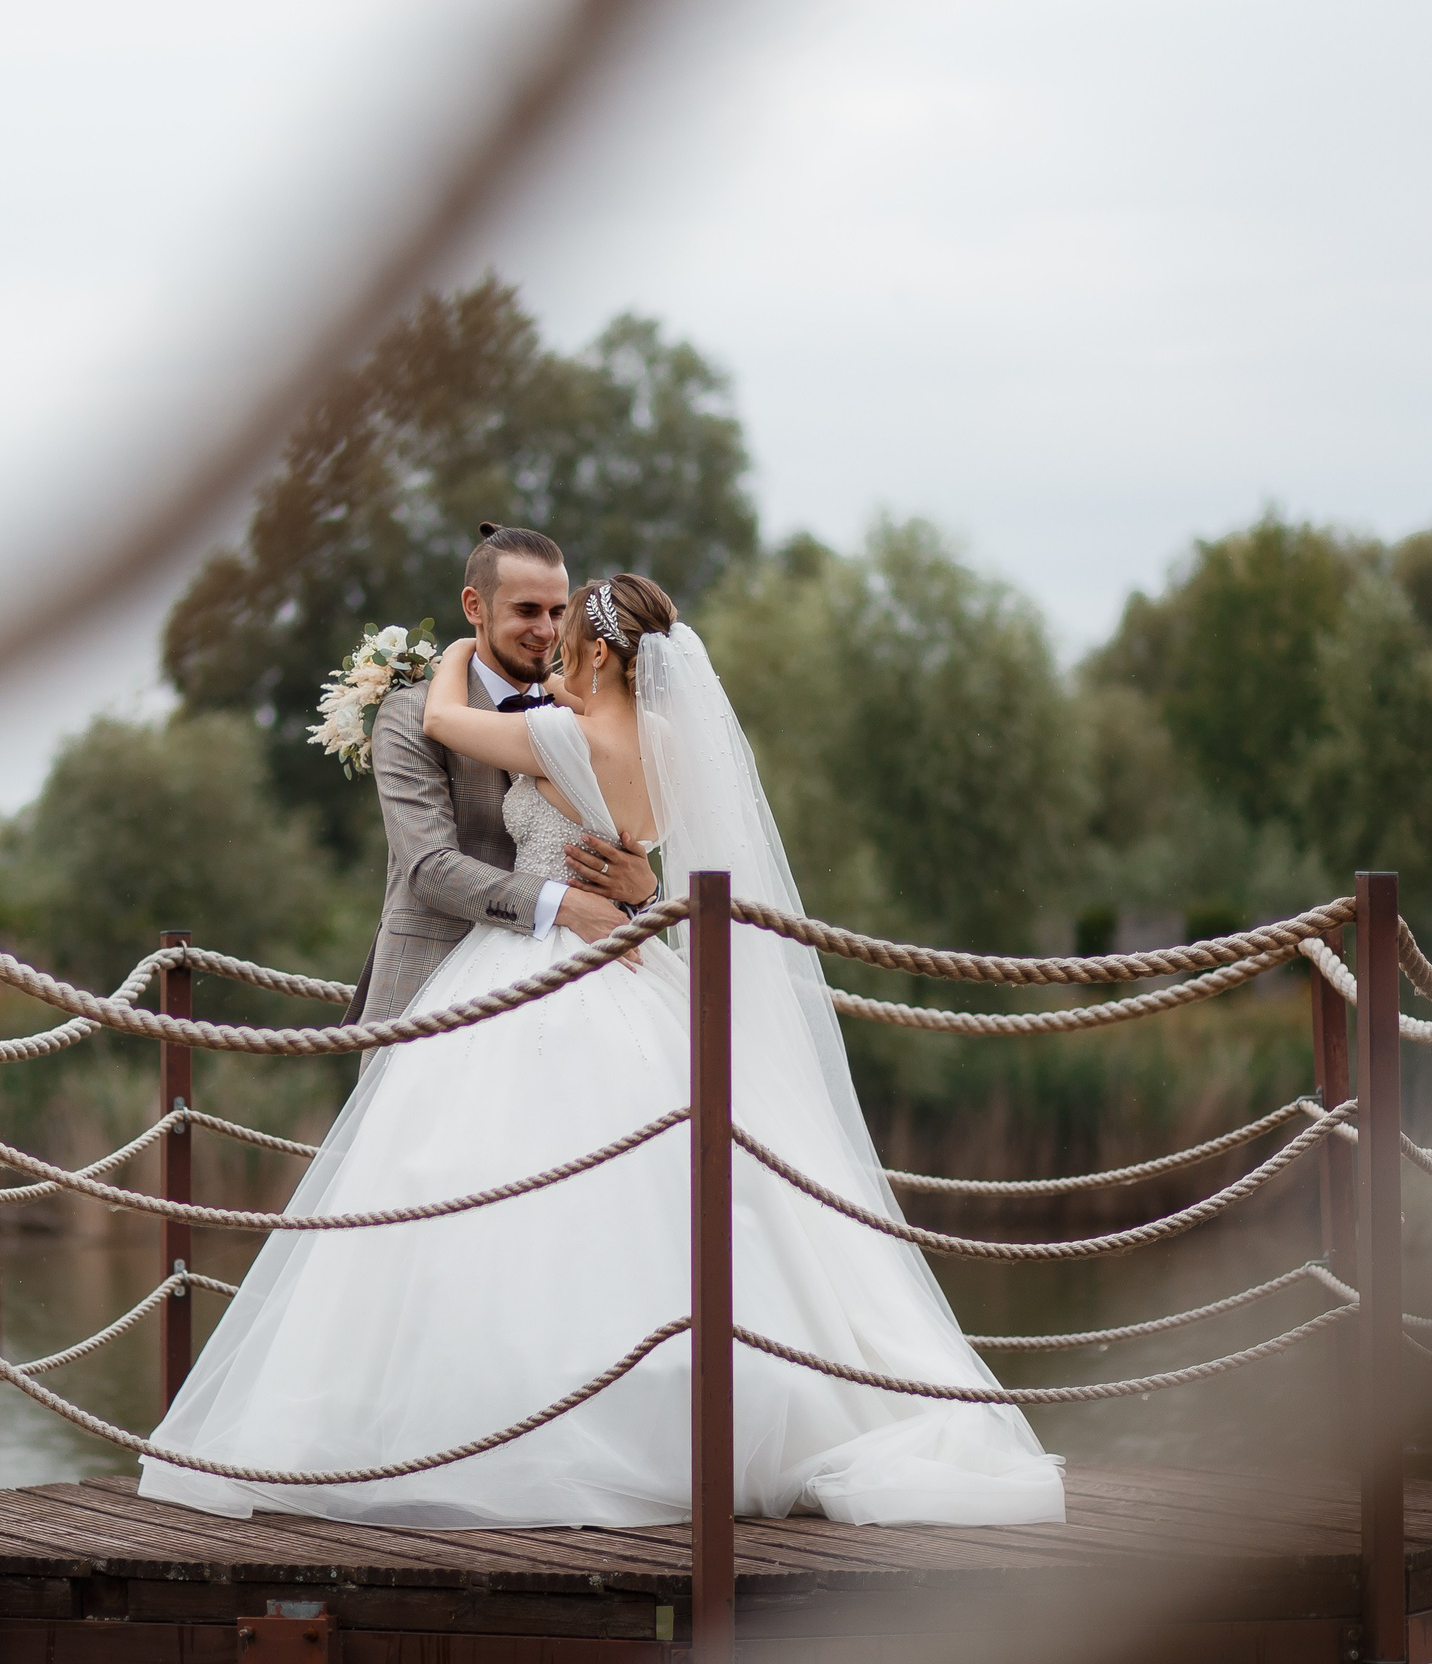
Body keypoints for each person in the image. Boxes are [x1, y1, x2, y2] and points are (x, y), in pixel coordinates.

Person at [139, 553, 1066, 1531]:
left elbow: (451, 725)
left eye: (565, 627)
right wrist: (636, 888)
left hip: (531, 970)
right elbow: (636, 847)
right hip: (631, 973)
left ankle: (484, 1426)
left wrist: (450, 657)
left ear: (594, 646)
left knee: (494, 1184)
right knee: (663, 1185)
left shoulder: (554, 729)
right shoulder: (668, 740)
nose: (552, 643)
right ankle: (698, 1413)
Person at [339, 524, 657, 1029]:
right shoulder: (408, 714)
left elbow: (615, 846)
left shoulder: (585, 718)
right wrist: (565, 905)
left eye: (557, 612)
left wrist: (644, 893)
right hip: (431, 995)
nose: (548, 631)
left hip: (576, 997)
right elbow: (429, 869)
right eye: (526, 611)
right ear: (475, 607)